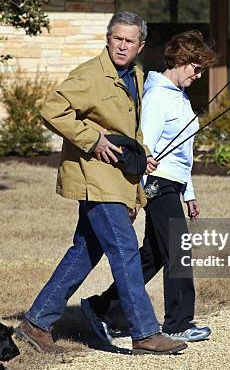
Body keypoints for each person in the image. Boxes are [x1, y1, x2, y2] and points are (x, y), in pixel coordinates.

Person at [15, 12, 187, 355]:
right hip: (95, 178)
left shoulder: (134, 76)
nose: (122, 46)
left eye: (129, 41)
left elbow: (129, 130)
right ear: (108, 38)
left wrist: (142, 158)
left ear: (140, 46)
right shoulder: (91, 74)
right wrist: (93, 140)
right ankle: (145, 332)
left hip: (119, 177)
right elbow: (53, 109)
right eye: (116, 38)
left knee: (85, 251)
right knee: (124, 252)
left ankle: (36, 323)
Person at [81, 30, 218, 343]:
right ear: (181, 61)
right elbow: (144, 147)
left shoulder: (177, 95)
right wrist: (137, 191)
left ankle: (103, 307)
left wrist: (190, 193)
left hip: (173, 183)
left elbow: (181, 150)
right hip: (157, 184)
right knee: (178, 251)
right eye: (196, 68)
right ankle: (178, 323)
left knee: (154, 254)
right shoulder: (158, 96)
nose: (199, 75)